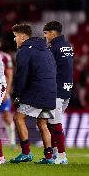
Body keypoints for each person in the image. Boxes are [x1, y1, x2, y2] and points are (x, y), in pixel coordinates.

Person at [10, 24, 57, 164]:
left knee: (18, 117)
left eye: (15, 36)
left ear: (23, 37)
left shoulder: (25, 50)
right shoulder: (46, 49)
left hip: (37, 90)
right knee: (42, 124)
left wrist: (17, 94)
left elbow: (21, 74)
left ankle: (26, 153)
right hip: (50, 91)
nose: (14, 39)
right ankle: (49, 157)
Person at [43, 21, 74, 164]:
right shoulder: (68, 46)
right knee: (52, 122)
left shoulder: (53, 49)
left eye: (46, 33)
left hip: (56, 90)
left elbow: (49, 70)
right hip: (67, 89)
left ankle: (62, 156)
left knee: (55, 123)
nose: (45, 36)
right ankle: (56, 154)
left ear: (52, 33)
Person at [0, 36, 16, 148]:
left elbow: (9, 75)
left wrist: (6, 92)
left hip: (2, 90)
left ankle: (12, 142)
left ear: (0, 44)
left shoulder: (5, 57)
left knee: (6, 115)